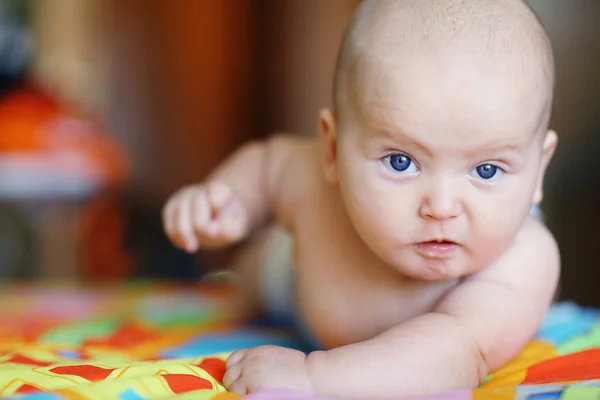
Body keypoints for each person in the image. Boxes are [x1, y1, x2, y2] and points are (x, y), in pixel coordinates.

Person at [162, 0, 560, 398]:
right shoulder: (312, 179)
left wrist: (313, 378)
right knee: (254, 272)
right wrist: (227, 201)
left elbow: (452, 353)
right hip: (297, 268)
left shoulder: (520, 261)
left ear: (538, 169)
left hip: (327, 300)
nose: (441, 207)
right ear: (332, 149)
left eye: (486, 170)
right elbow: (268, 164)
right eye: (401, 162)